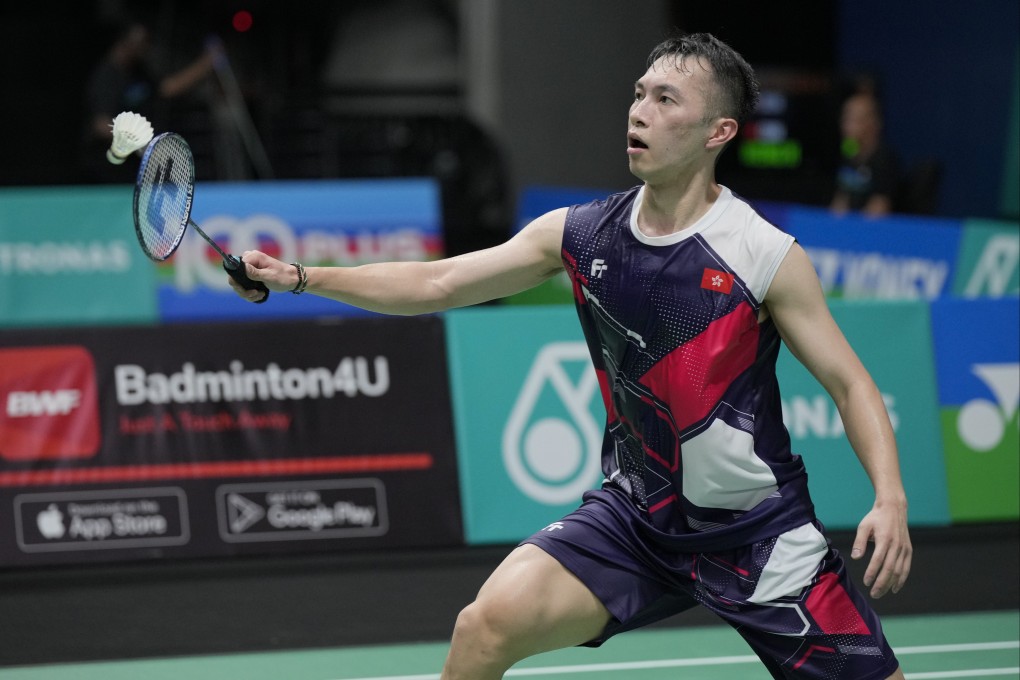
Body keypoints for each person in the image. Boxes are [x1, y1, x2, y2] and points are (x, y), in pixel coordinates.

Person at [230, 32, 912, 680]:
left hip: (757, 535)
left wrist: (889, 496)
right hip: (637, 520)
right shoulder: (584, 234)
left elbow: (850, 384)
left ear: (719, 132)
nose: (640, 111)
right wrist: (299, 276)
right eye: (640, 93)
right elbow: (438, 282)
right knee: (485, 625)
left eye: (666, 100)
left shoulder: (761, 255)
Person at [80, 21, 219, 182]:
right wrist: (139, 142)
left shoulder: (139, 71)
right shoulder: (106, 76)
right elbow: (100, 125)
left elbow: (168, 88)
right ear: (125, 41)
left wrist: (206, 63)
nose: (146, 47)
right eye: (141, 42)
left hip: (133, 171)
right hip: (104, 172)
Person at [830, 89, 900, 217]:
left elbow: (878, 211)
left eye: (854, 119)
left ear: (873, 123)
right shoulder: (848, 156)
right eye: (845, 118)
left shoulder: (885, 161)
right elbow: (839, 203)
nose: (845, 125)